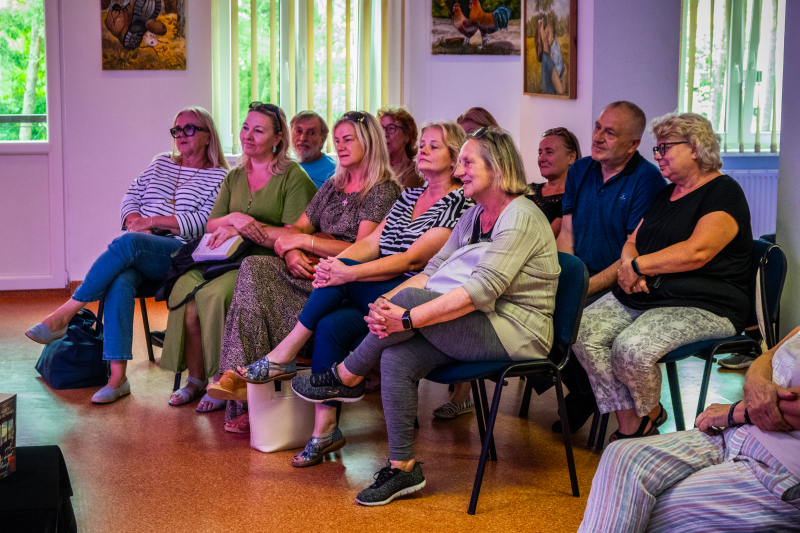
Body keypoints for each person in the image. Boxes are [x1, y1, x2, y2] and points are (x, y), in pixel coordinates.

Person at [290, 127, 560, 505]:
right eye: (461, 162)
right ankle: (403, 468)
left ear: (496, 167)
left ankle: (347, 375)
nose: (461, 170)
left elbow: (479, 291)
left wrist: (407, 317)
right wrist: (385, 304)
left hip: (517, 331)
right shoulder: (474, 216)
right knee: (398, 356)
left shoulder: (521, 216)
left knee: (413, 302)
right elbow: (431, 271)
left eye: (468, 162)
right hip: (478, 322)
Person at [209, 121, 472, 464]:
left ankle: (283, 355)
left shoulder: (458, 204)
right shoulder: (409, 196)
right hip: (374, 288)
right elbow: (370, 245)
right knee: (331, 324)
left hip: (414, 295)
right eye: (421, 144)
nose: (421, 150)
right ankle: (325, 430)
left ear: (455, 158)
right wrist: (336, 264)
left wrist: (345, 271)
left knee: (342, 277)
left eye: (433, 147)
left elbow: (413, 258)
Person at [209, 111, 402, 433]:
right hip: (311, 269)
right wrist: (294, 250)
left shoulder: (381, 190)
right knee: (254, 268)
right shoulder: (334, 185)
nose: (339, 146)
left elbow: (362, 251)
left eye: (348, 139)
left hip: (344, 282)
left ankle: (247, 385)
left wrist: (304, 241)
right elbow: (296, 228)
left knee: (257, 287)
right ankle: (242, 384)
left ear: (369, 143)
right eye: (337, 140)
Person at [25, 107, 230, 404]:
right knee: (120, 279)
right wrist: (137, 221)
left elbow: (205, 221)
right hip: (142, 245)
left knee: (129, 244)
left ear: (208, 135)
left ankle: (65, 313)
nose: (181, 136)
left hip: (181, 254)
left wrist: (153, 222)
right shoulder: (160, 163)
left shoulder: (219, 176)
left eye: (189, 129)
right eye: (176, 130)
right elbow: (131, 195)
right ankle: (117, 378)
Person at [573, 112, 752, 441]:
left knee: (631, 349)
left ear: (695, 148)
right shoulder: (666, 194)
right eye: (656, 149)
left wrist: (639, 267)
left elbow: (698, 251)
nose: (658, 156)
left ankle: (639, 427)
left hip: (705, 303)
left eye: (665, 148)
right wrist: (628, 264)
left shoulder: (723, 191)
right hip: (649, 296)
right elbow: (632, 241)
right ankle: (639, 422)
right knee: (582, 331)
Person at [160, 102, 318, 411]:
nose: (248, 135)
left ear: (277, 139)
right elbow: (211, 224)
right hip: (223, 256)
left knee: (214, 295)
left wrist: (249, 228)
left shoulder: (292, 175)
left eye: (258, 130)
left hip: (264, 261)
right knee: (184, 292)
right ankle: (195, 378)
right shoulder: (234, 176)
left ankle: (222, 378)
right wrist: (234, 219)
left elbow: (292, 235)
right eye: (245, 128)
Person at [579, 324, 800, 532]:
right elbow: (768, 355)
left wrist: (735, 411)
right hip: (739, 434)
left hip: (780, 465)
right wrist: (756, 383)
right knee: (620, 456)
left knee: (650, 516)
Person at [552, 101, 665, 434]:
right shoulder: (579, 169)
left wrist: (581, 287)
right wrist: (565, 277)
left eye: (610, 132)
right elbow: (568, 232)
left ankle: (601, 402)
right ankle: (586, 392)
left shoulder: (647, 180)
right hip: (583, 276)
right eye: (598, 127)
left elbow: (630, 254)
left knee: (569, 322)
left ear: (632, 145)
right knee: (533, 313)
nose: (598, 136)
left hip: (619, 285)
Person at [432, 105, 502, 419]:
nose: (460, 169)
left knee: (440, 299)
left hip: (494, 300)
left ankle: (463, 393)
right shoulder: (472, 205)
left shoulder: (509, 207)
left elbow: (484, 284)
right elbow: (441, 259)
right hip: (467, 275)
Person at [528, 127, 581, 238]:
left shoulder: (575, 197)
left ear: (571, 157)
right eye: (540, 152)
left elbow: (545, 238)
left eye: (549, 152)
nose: (541, 158)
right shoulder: (528, 190)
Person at [377, 108, 424, 189]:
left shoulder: (415, 171)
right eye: (381, 129)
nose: (384, 134)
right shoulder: (374, 167)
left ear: (407, 135)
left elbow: (400, 200)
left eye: (391, 128)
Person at [290, 110, 336, 188]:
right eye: (298, 131)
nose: (303, 138)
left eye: (311, 133)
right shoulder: (282, 166)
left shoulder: (335, 172)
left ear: (322, 140)